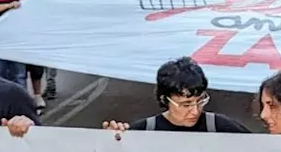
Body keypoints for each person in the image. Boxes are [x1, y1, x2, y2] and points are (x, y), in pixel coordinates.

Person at [104, 57, 250, 134]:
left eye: (200, 101)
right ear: (164, 99)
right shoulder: (145, 131)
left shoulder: (221, 127)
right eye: (185, 104)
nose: (195, 111)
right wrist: (111, 142)